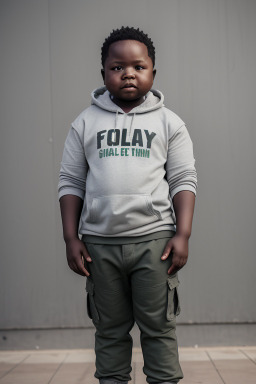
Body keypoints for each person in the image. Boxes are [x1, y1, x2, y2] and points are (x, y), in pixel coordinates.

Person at [58, 26, 197, 384]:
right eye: (117, 67)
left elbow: (183, 180)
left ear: (153, 71)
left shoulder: (170, 123)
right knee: (109, 330)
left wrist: (183, 234)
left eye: (138, 66)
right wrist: (71, 238)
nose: (128, 73)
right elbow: (71, 182)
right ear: (103, 74)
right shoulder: (85, 123)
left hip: (155, 244)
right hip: (98, 246)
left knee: (158, 329)